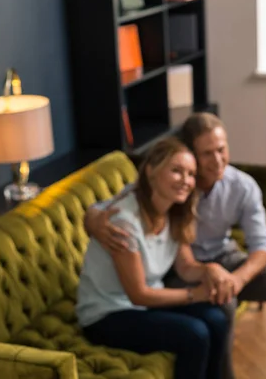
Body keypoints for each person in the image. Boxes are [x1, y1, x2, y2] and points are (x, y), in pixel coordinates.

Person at [84, 113, 266, 379]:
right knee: (221, 305)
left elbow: (263, 246)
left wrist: (236, 280)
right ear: (188, 153)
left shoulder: (240, 185)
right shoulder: (171, 186)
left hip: (218, 260)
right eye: (206, 154)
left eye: (221, 150)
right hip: (175, 273)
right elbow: (115, 206)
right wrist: (93, 219)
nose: (217, 161)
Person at [76, 137, 229, 379]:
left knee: (217, 319)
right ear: (151, 171)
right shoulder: (124, 220)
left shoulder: (173, 212)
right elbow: (139, 293)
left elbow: (186, 267)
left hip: (141, 307)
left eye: (190, 174)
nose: (186, 181)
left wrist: (209, 269)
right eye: (176, 171)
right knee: (195, 334)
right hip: (106, 315)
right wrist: (195, 294)